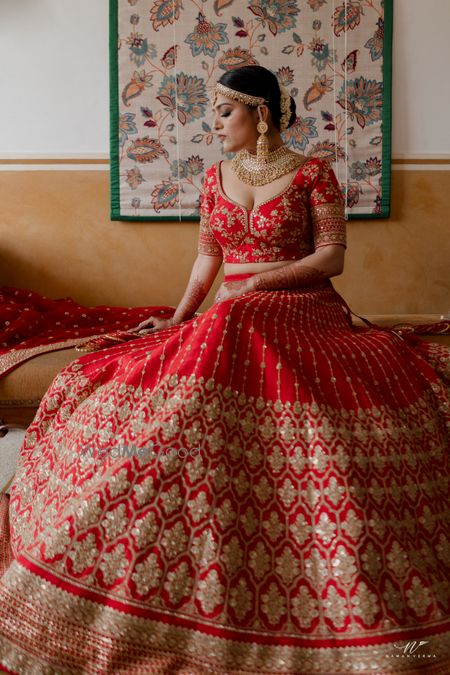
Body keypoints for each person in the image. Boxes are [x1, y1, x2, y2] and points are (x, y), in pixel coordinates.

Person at [0, 65, 449, 673]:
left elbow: (332, 256)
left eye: (224, 112)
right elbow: (208, 254)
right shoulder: (214, 176)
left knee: (240, 320)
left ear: (260, 113)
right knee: (198, 338)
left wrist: (261, 281)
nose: (214, 124)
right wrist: (180, 317)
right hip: (229, 311)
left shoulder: (313, 171)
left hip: (301, 306)